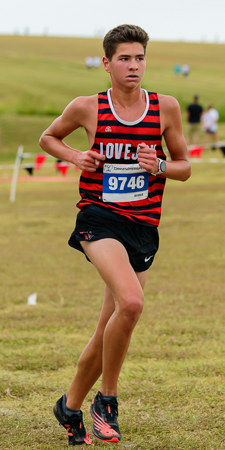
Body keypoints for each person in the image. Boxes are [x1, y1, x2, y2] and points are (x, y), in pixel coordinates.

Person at [39, 24, 191, 446]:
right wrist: (75, 156)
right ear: (106, 63)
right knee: (133, 302)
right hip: (98, 219)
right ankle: (107, 401)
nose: (133, 66)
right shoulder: (88, 107)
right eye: (124, 58)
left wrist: (158, 165)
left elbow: (184, 166)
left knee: (111, 322)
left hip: (143, 226)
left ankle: (68, 407)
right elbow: (48, 137)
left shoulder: (165, 108)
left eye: (139, 57)